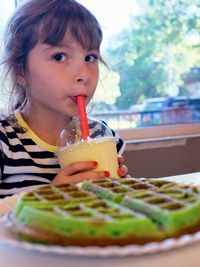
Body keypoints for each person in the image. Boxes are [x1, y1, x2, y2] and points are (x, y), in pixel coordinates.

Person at [0, 0, 127, 198]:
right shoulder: (6, 141)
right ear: (20, 71)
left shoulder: (102, 136)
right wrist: (52, 197)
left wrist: (119, 190)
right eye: (59, 57)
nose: (83, 74)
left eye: (90, 57)